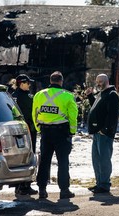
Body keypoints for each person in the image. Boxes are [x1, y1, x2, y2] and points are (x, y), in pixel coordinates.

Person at [32, 71, 78, 199]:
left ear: (50, 81)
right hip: (61, 132)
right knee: (63, 161)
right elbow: (73, 117)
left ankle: (42, 189)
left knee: (44, 161)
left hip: (45, 132)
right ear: (61, 81)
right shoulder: (68, 96)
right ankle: (64, 190)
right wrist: (72, 132)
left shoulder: (39, 95)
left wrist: (39, 129)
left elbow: (34, 114)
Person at [85, 73, 119, 193]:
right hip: (97, 133)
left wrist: (104, 130)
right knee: (96, 159)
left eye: (100, 81)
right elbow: (97, 109)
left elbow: (112, 116)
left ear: (106, 81)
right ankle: (99, 183)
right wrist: (90, 96)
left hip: (104, 134)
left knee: (104, 160)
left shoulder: (112, 94)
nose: (98, 83)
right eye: (97, 81)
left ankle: (104, 185)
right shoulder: (102, 94)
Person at [12, 74, 38, 195]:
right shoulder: (28, 97)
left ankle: (18, 185)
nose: (29, 85)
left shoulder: (12, 96)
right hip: (27, 130)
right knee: (28, 157)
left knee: (18, 157)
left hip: (15, 131)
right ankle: (25, 185)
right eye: (28, 83)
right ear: (22, 84)